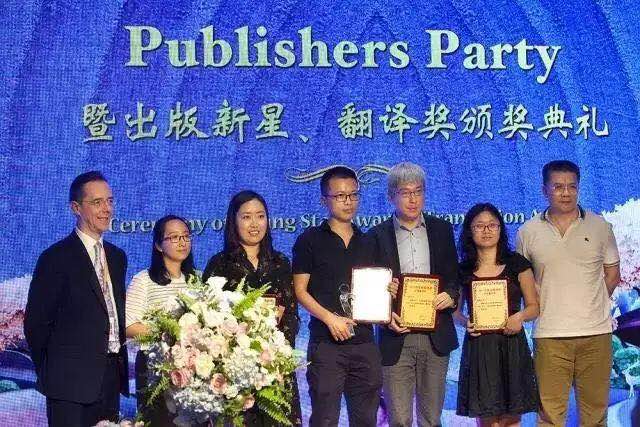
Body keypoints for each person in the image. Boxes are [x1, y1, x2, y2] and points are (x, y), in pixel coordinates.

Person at [516, 160, 621, 426]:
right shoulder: (528, 232)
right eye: (558, 187)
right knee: (549, 416)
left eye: (572, 187)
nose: (566, 193)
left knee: (595, 415)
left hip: (596, 334)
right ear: (544, 190)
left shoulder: (600, 226)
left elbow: (612, 275)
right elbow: (523, 282)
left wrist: (591, 303)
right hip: (550, 336)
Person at [24, 171, 129, 427]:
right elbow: (36, 324)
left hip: (110, 379)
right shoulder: (55, 258)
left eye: (110, 201)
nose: (106, 209)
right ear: (75, 208)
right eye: (97, 202)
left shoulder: (117, 257)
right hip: (68, 385)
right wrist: (54, 371)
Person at [368, 162, 459, 427]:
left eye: (418, 191)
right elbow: (371, 288)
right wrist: (386, 314)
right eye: (405, 192)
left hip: (436, 335)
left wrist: (451, 295)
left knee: (431, 419)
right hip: (396, 336)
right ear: (391, 196)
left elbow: (453, 277)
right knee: (399, 419)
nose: (413, 199)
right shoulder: (375, 236)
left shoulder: (442, 230)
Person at [293, 166, 383, 426]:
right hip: (326, 344)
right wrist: (330, 319)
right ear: (325, 200)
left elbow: (377, 289)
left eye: (353, 195)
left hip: (365, 343)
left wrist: (388, 292)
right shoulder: (310, 240)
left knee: (366, 420)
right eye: (340, 196)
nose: (348, 201)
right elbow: (299, 291)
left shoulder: (369, 241)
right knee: (325, 419)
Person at [202, 190, 301, 426]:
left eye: (260, 216)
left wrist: (275, 352)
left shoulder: (280, 262)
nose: (255, 224)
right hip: (235, 374)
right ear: (233, 221)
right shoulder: (220, 264)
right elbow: (209, 318)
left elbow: (291, 315)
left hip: (275, 369)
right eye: (246, 217)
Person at [455, 203, 540, 426]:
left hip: (512, 345)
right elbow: (455, 312)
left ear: (501, 229)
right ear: (469, 231)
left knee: (512, 418)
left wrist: (519, 317)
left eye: (492, 225)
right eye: (479, 226)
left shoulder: (517, 264)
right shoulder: (463, 269)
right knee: (487, 419)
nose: (486, 230)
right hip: (479, 348)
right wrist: (466, 322)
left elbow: (534, 307)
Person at [125, 215, 196, 426]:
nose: (182, 242)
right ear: (158, 245)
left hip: (192, 369)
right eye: (174, 237)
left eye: (186, 236)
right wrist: (169, 333)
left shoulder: (197, 279)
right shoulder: (143, 280)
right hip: (154, 367)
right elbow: (129, 326)